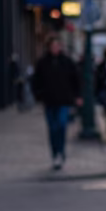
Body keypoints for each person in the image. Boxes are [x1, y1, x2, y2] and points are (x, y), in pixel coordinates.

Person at [32, 35, 82, 170]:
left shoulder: (66, 62)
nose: (55, 48)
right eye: (53, 46)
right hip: (49, 101)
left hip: (64, 101)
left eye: (57, 46)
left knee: (61, 125)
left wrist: (77, 96)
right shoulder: (43, 63)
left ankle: (60, 152)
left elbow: (76, 79)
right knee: (52, 129)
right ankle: (55, 154)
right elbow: (36, 81)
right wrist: (39, 96)